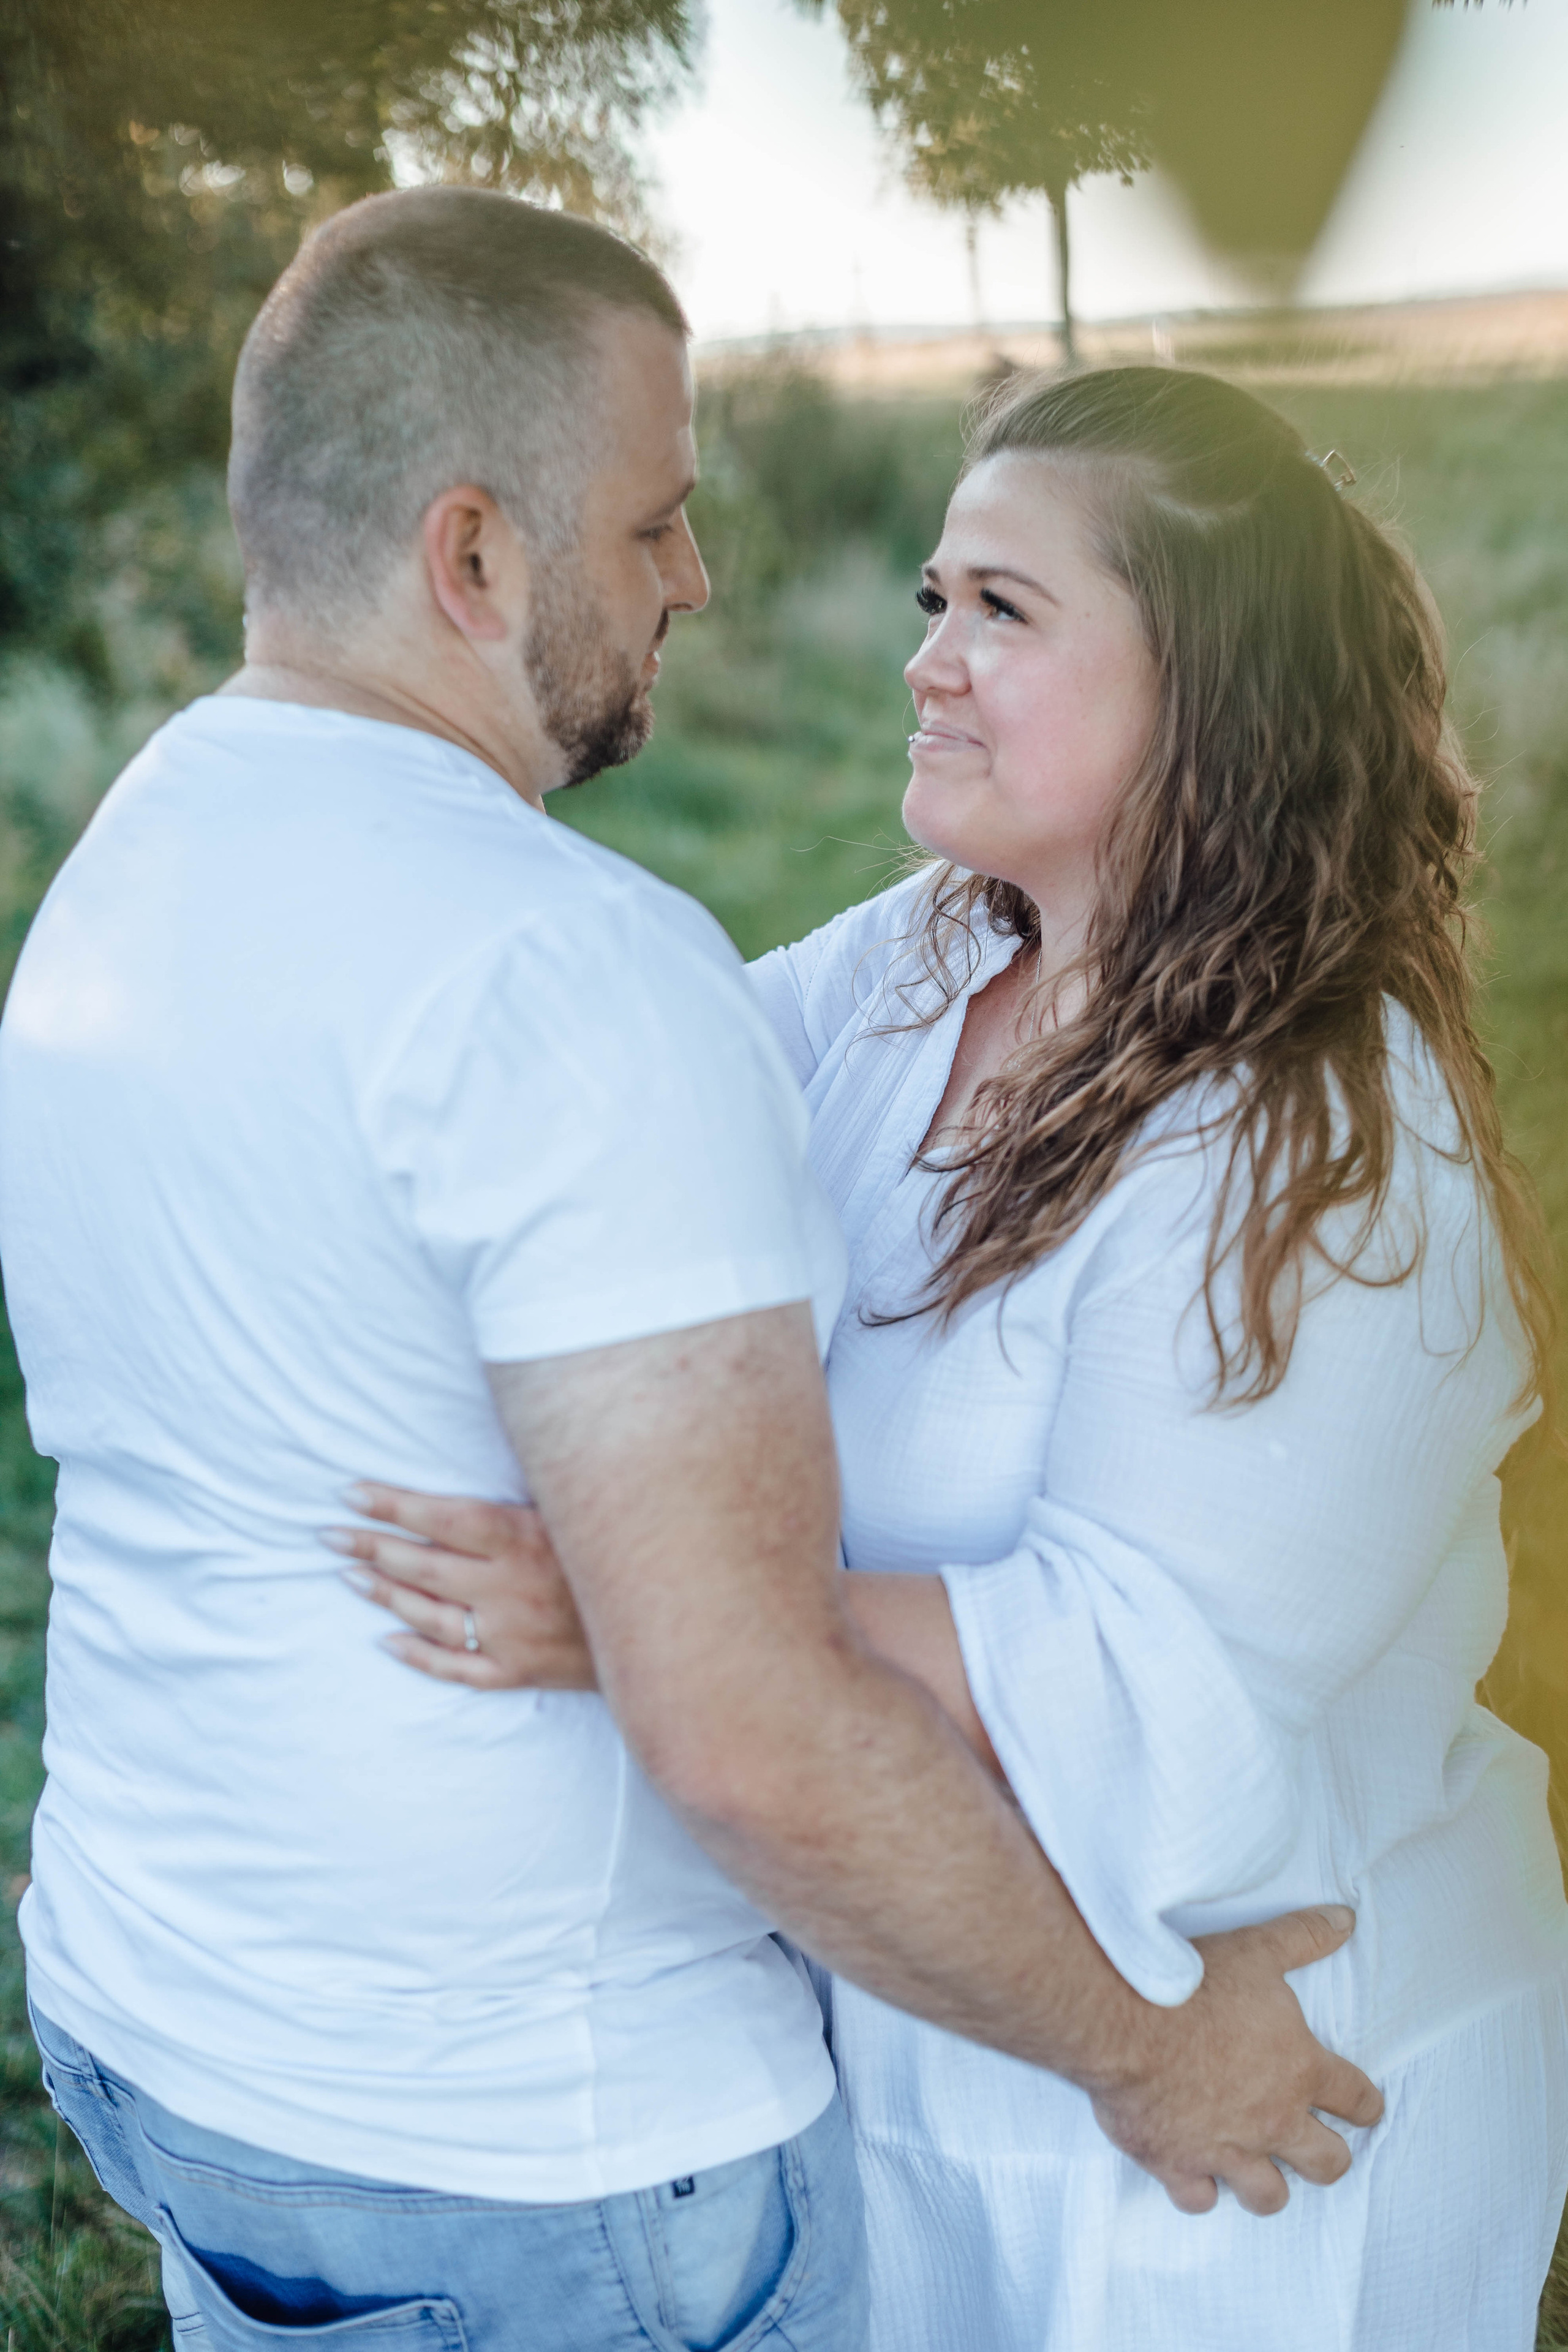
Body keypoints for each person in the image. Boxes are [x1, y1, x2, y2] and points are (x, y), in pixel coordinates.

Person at [0, 202, 1376, 2352]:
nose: (697, 581)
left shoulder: (133, 861)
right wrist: (1151, 2052)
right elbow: (747, 1739)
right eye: (653, 523)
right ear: (474, 558)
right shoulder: (569, 969)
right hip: (528, 2152)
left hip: (169, 2025)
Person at [347, 365, 1568, 2351]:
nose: (929, 660)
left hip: (1255, 2093)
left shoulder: (1324, 1136)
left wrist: (635, 1609)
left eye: (1004, 609)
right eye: (934, 598)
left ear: (1215, 680)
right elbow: (624, 1117)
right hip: (956, 2025)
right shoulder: (930, 956)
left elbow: (1145, 1674)